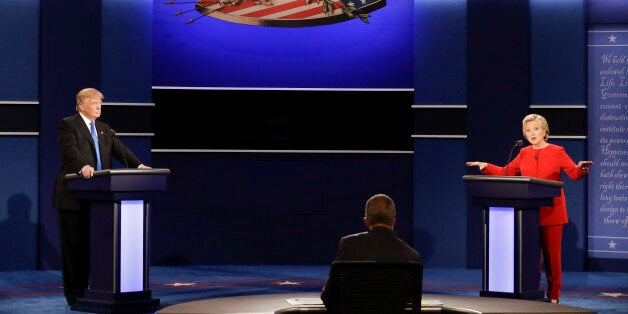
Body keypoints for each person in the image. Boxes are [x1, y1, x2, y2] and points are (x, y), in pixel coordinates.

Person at [466, 113, 592, 304]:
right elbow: (506, 172)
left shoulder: (557, 151)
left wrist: (581, 168)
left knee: (552, 258)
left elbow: (573, 174)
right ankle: (531, 292)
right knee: (531, 258)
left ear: (544, 130)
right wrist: (486, 166)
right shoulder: (523, 153)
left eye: (535, 129)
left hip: (552, 213)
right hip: (528, 215)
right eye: (527, 130)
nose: (531, 133)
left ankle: (553, 296)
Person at [53, 87, 152, 306]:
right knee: (74, 250)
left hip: (99, 199)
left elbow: (120, 150)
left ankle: (93, 290)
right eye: (95, 103)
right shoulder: (69, 125)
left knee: (95, 249)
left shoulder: (105, 129)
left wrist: (139, 165)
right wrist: (83, 166)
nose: (99, 107)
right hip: (73, 197)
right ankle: (75, 296)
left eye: (100, 103)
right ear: (81, 105)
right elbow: (70, 151)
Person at [320, 193, 421, 310]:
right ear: (394, 221)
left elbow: (329, 298)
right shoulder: (412, 256)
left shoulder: (349, 245)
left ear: (366, 221)